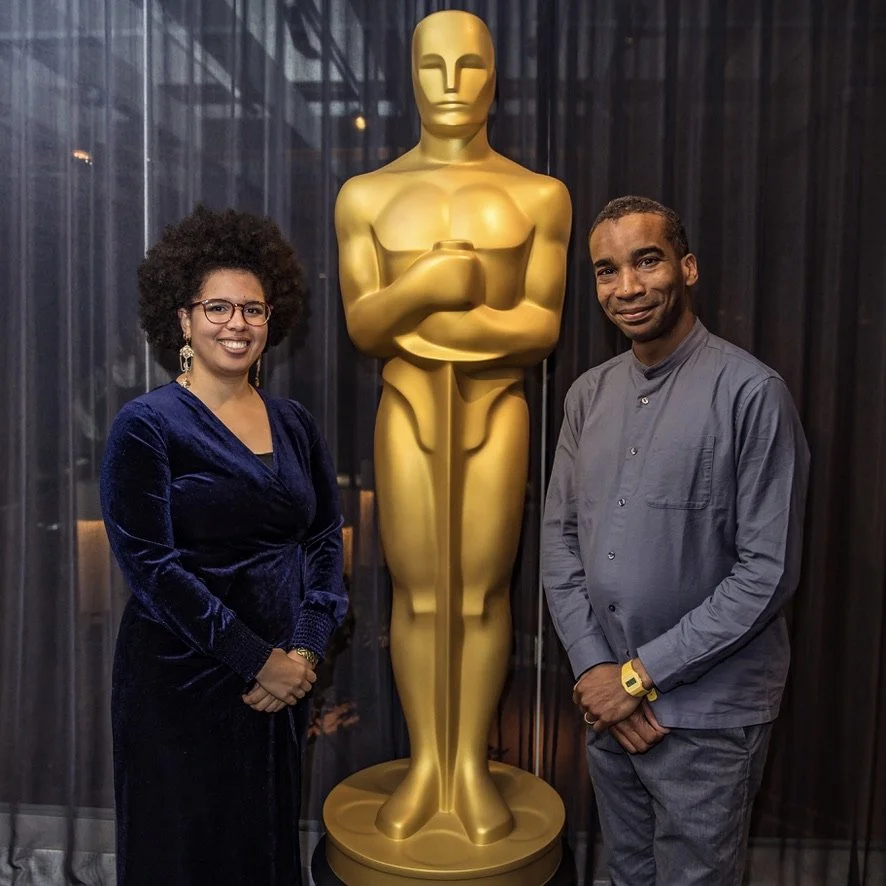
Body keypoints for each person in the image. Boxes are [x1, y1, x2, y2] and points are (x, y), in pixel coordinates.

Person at [334, 10, 571, 845]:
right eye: (432, 66)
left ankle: (467, 764)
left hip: (496, 408)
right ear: (410, 75)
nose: (449, 84)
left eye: (468, 66)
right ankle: (426, 763)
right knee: (418, 593)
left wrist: (431, 324)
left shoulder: (538, 195)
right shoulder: (366, 195)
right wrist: (429, 286)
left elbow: (540, 326)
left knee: (480, 593)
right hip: (406, 409)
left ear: (494, 77)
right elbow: (364, 324)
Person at [542, 196, 809, 885]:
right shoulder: (587, 396)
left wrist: (638, 678)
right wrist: (597, 672)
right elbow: (560, 541)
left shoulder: (752, 393)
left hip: (706, 719)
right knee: (627, 874)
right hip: (609, 707)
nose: (627, 287)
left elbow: (767, 573)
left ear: (687, 268)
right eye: (607, 270)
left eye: (647, 261)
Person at [100, 205, 347, 886]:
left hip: (281, 684)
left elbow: (324, 540)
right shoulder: (146, 425)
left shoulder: (294, 423)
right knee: (185, 853)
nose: (237, 323)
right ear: (184, 319)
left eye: (253, 309)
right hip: (181, 680)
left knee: (260, 848)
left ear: (271, 320)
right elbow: (153, 569)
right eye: (217, 307)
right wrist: (257, 659)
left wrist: (303, 652)